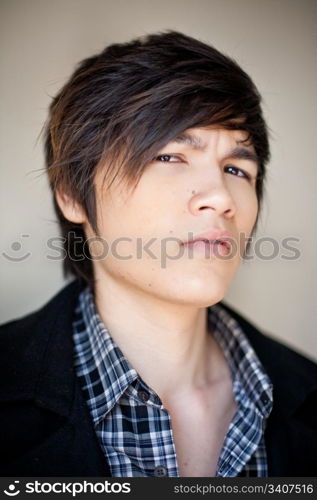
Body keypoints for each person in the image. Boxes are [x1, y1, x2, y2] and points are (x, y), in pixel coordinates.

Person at [0, 31, 316, 478]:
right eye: (170, 157)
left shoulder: (306, 390)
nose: (221, 197)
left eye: (236, 168)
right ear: (72, 194)